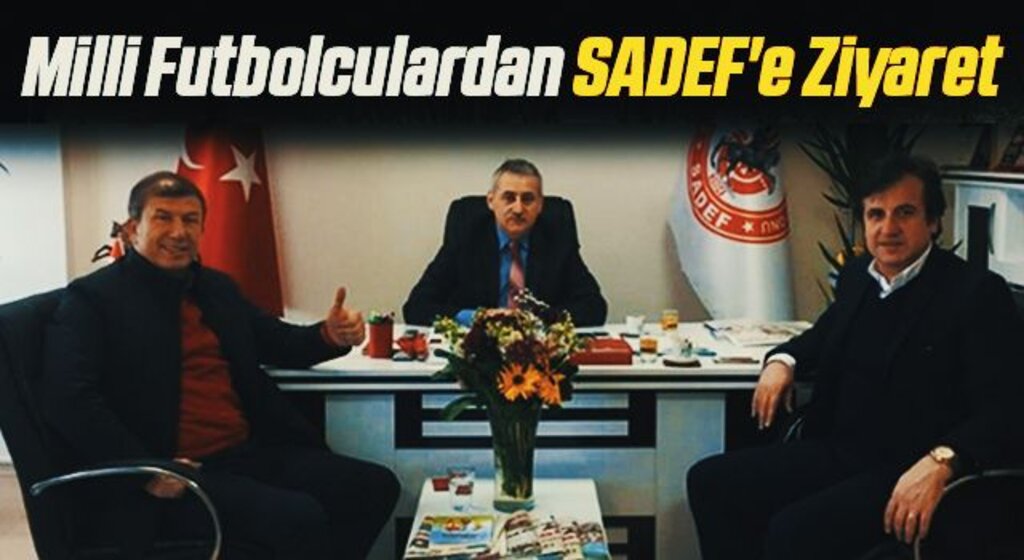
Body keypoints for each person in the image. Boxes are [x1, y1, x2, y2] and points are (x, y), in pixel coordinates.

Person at [43, 171, 400, 559]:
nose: (179, 232)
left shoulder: (215, 288)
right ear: (132, 229)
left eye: (190, 220)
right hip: (171, 473)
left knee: (373, 487)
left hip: (244, 452)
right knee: (298, 518)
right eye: (163, 218)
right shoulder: (92, 300)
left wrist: (329, 335)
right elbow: (69, 399)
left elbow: (277, 341)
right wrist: (145, 468)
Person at [686, 155, 1024, 560]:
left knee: (791, 532)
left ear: (934, 221)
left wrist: (942, 461)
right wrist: (782, 362)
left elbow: (1006, 409)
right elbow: (820, 338)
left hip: (907, 467)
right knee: (709, 482)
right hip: (839, 452)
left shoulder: (975, 292)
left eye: (905, 213)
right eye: (876, 214)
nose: (888, 228)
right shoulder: (859, 276)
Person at [403, 158, 607, 327]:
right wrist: (477, 318)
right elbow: (417, 307)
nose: (518, 209)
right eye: (509, 198)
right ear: (491, 201)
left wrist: (539, 319)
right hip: (478, 350)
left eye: (528, 199)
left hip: (538, 350)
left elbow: (594, 307)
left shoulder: (557, 238)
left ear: (540, 205)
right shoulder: (465, 236)